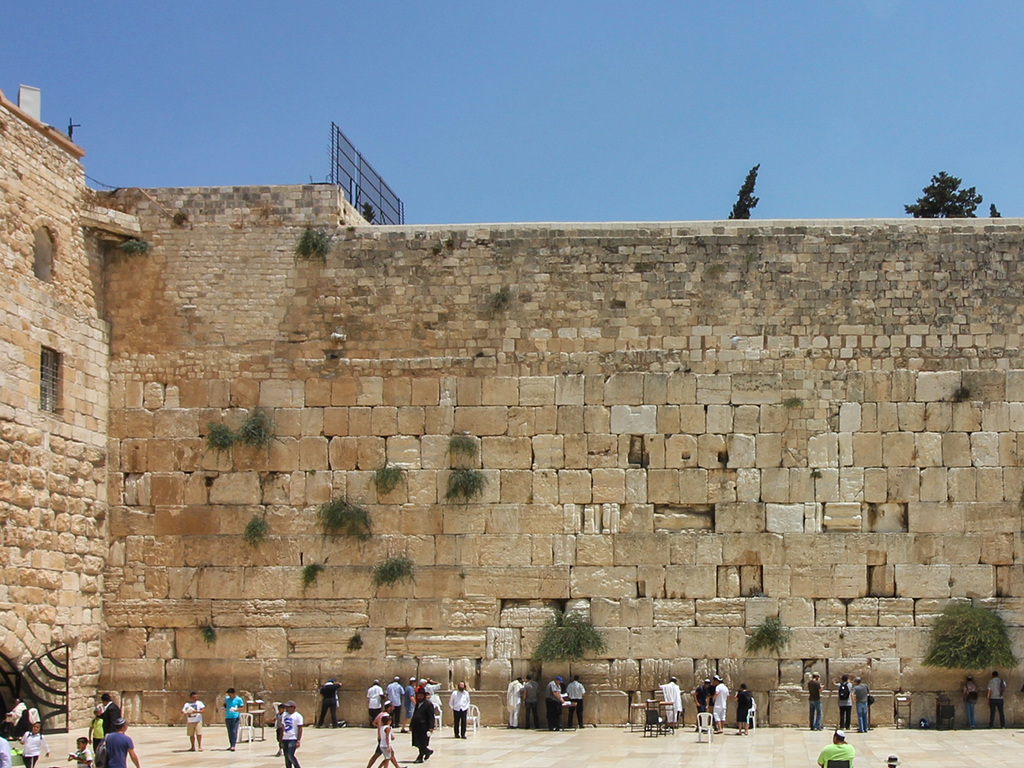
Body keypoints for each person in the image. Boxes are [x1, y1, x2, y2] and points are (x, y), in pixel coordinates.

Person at [410, 689, 435, 763]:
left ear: (424, 696)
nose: (420, 697)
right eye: (418, 696)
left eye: (421, 696)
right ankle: (427, 751)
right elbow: (415, 714)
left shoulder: (428, 704)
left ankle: (420, 757)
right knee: (417, 742)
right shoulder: (417, 704)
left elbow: (431, 716)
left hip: (424, 726)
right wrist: (411, 724)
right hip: (416, 726)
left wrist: (431, 727)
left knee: (422, 742)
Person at [280, 700, 304, 768]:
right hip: (285, 738)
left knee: (290, 755)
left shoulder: (298, 716)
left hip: (292, 738)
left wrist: (298, 740)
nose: (286, 709)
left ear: (293, 707)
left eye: (288, 707)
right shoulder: (284, 715)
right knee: (286, 758)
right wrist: (280, 739)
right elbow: (282, 727)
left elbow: (300, 729)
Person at [223, 687, 244, 751]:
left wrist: (236, 710)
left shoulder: (238, 699)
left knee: (234, 731)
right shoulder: (227, 699)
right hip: (228, 716)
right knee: (229, 731)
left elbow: (242, 708)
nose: (230, 696)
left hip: (235, 717)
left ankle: (233, 745)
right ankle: (231, 744)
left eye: (230, 694)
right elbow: (225, 705)